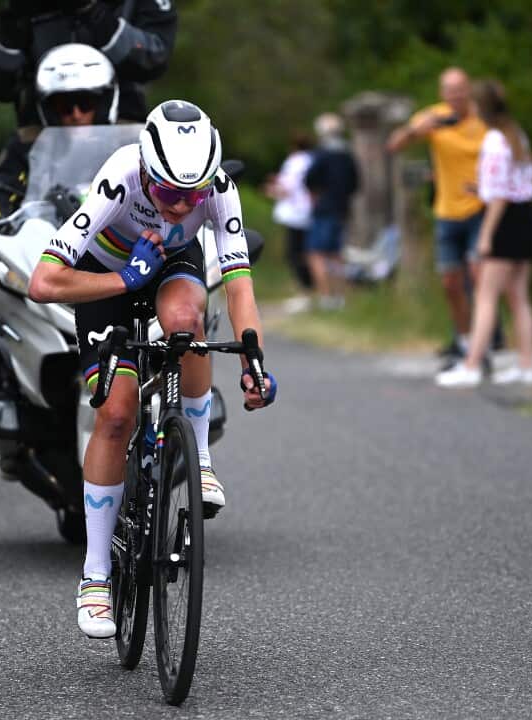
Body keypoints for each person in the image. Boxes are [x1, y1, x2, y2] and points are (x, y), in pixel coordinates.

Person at [27, 100, 278, 638]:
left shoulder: (215, 191)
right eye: (166, 192)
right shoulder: (119, 178)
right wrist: (125, 281)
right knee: (115, 415)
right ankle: (95, 574)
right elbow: (44, 283)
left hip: (171, 268)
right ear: (145, 168)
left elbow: (238, 283)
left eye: (192, 196)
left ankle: (201, 458)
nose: (178, 206)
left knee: (188, 322)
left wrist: (254, 356)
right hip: (107, 276)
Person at [437, 80, 532, 388]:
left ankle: (471, 365)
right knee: (520, 297)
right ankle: (527, 364)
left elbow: (498, 195)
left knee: (486, 296)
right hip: (526, 216)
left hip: (504, 222)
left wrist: (485, 236)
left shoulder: (494, 141)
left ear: (479, 107)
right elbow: (519, 180)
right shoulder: (515, 134)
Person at [387, 68, 491, 360]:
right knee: (451, 283)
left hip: (480, 209)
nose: (455, 96)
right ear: (442, 93)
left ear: (468, 89)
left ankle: (487, 342)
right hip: (446, 211)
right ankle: (463, 338)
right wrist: (417, 131)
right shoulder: (434, 116)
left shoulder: (483, 118)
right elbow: (394, 145)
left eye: (460, 89)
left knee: (478, 276)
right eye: (449, 90)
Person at [0, 0, 176, 129]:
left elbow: (155, 57)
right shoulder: (26, 13)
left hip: (121, 128)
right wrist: (12, 26)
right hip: (41, 134)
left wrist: (94, 13)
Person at [0, 42, 120, 222]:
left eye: (85, 103)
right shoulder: (27, 146)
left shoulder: (126, 147)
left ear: (103, 104)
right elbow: (0, 188)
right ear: (50, 109)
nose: (76, 114)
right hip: (41, 240)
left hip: (113, 240)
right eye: (65, 106)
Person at [304, 113, 360, 311]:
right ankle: (340, 296)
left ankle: (326, 297)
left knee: (316, 253)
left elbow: (309, 179)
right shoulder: (347, 154)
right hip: (342, 209)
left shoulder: (322, 154)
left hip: (324, 208)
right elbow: (355, 183)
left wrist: (317, 195)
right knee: (337, 253)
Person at [267, 130, 315, 313]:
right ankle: (310, 290)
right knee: (306, 251)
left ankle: (305, 291)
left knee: (295, 253)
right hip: (308, 212)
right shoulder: (311, 159)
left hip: (295, 213)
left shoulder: (294, 162)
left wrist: (271, 189)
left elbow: (287, 188)